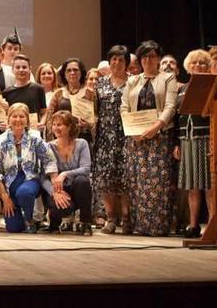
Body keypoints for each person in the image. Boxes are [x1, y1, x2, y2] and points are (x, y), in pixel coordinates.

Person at [120, 40, 178, 236]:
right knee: (137, 182)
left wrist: (156, 127)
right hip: (135, 138)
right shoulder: (132, 81)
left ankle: (158, 227)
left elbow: (170, 107)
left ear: (158, 58)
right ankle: (139, 226)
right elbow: (124, 107)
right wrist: (132, 130)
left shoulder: (168, 78)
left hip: (160, 137)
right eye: (144, 56)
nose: (148, 60)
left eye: (152, 56)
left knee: (158, 183)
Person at [174, 49, 217, 238]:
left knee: (210, 184)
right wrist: (176, 143)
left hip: (208, 139)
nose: (198, 66)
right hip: (187, 141)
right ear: (188, 67)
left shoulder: (213, 86)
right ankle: (193, 225)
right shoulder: (181, 89)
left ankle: (212, 223)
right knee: (193, 184)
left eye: (202, 63)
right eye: (194, 63)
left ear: (208, 67)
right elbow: (177, 118)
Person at [0, 103, 56, 234]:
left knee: (24, 193)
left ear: (27, 120)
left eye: (22, 116)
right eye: (14, 116)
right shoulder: (0, 140)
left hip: (29, 180)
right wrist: (5, 197)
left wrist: (55, 181)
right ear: (8, 119)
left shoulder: (35, 138)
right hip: (9, 186)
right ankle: (19, 220)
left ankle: (29, 219)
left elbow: (49, 159)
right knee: (13, 228)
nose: (18, 120)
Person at [94, 45, 131, 234]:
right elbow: (95, 112)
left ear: (127, 63)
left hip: (126, 136)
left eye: (121, 59)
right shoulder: (100, 84)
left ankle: (126, 219)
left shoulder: (133, 82)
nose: (116, 63)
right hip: (105, 138)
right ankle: (110, 219)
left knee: (125, 179)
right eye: (113, 59)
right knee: (106, 180)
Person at [44, 111, 93, 235]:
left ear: (69, 126)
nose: (56, 128)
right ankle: (54, 224)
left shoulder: (81, 143)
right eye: (54, 124)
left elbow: (86, 168)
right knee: (62, 207)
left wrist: (64, 174)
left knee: (83, 180)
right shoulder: (48, 147)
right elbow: (42, 176)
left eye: (60, 125)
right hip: (58, 189)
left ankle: (86, 223)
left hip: (76, 188)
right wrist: (54, 192)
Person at [46, 58, 94, 143]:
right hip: (61, 140)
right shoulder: (58, 93)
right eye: (68, 70)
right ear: (64, 74)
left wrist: (89, 125)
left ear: (81, 72)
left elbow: (97, 117)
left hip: (84, 139)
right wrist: (55, 132)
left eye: (75, 70)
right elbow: (49, 117)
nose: (72, 73)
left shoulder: (90, 93)